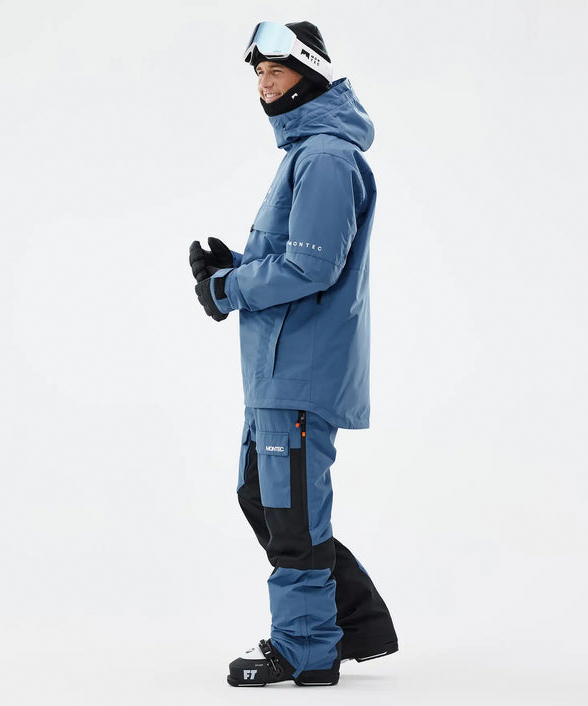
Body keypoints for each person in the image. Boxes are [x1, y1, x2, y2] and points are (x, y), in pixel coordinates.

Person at [190, 20, 398, 687]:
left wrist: (226, 289)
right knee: (264, 499)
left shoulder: (326, 157)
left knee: (291, 515)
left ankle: (306, 648)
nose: (264, 84)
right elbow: (294, 257)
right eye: (258, 73)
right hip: (278, 372)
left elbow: (311, 267)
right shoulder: (306, 153)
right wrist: (236, 264)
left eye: (276, 71)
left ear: (310, 73)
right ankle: (353, 624)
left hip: (301, 370)